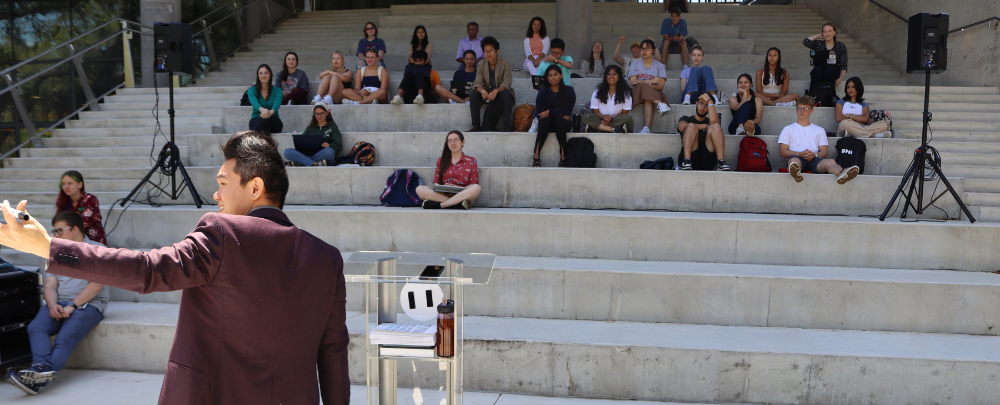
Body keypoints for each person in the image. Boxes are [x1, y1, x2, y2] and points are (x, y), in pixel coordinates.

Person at [0, 131, 351, 405]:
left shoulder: (223, 232)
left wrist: (47, 247)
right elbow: (333, 352)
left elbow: (147, 270)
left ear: (255, 187)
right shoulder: (327, 258)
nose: (216, 195)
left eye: (223, 183)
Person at [5, 211, 111, 396]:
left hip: (89, 304)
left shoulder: (96, 250)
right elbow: (50, 283)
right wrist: (53, 304)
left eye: (60, 231)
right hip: (60, 303)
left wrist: (73, 306)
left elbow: (96, 286)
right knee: (36, 327)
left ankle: (36, 381)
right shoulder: (55, 253)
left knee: (64, 339)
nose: (56, 236)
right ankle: (40, 367)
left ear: (75, 229)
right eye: (54, 231)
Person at [779, 95, 859, 184]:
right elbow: (783, 152)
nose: (802, 111)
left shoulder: (819, 130)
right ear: (796, 109)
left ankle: (842, 174)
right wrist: (800, 154)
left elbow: (824, 152)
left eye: (805, 108)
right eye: (800, 108)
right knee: (794, 161)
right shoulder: (788, 129)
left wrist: (814, 155)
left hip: (814, 159)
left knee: (831, 162)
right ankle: (796, 174)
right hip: (796, 156)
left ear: (811, 111)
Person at [416, 131, 481, 209]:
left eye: (456, 140)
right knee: (419, 189)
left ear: (462, 142)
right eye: (449, 141)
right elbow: (436, 183)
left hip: (463, 195)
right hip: (444, 194)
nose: (452, 143)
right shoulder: (441, 160)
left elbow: (473, 184)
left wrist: (457, 187)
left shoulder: (471, 161)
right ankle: (456, 204)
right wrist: (444, 187)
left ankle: (441, 205)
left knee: (476, 188)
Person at [531, 65, 577, 167]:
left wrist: (549, 112)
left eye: (556, 74)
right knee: (546, 121)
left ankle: (563, 157)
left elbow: (567, 110)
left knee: (558, 121)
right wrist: (557, 113)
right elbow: (539, 112)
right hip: (547, 123)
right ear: (547, 78)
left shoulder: (569, 90)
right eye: (550, 75)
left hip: (563, 123)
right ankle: (536, 155)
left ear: (561, 75)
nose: (553, 77)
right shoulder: (543, 91)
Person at [470, 36, 514, 132]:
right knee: (473, 95)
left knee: (507, 95)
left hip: (500, 92)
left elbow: (507, 82)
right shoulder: (481, 63)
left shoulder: (505, 63)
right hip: (486, 92)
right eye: (486, 51)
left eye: (491, 51)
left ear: (497, 51)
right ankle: (475, 125)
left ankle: (507, 127)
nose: (488, 54)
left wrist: (496, 91)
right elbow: (477, 82)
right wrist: (482, 91)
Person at [677, 93, 730, 171]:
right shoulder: (687, 118)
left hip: (707, 160)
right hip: (691, 156)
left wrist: (710, 101)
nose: (703, 107)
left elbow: (716, 124)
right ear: (696, 103)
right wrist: (704, 126)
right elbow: (682, 127)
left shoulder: (711, 122)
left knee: (715, 126)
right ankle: (686, 161)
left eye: (706, 105)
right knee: (691, 126)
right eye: (701, 103)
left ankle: (720, 162)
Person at [628, 39, 670, 134]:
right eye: (642, 49)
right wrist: (652, 81)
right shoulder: (635, 64)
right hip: (637, 93)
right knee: (643, 88)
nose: (644, 51)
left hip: (653, 94)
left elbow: (661, 86)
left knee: (647, 96)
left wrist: (643, 82)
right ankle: (660, 104)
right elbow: (633, 82)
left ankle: (646, 128)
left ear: (653, 50)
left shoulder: (659, 66)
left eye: (647, 48)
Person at [54, 170, 106, 245]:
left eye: (70, 183)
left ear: (80, 184)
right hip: (72, 240)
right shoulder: (63, 202)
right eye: (63, 184)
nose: (66, 187)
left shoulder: (91, 200)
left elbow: (81, 224)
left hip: (92, 242)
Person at [581, 65, 634, 133]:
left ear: (619, 76)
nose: (611, 77)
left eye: (614, 74)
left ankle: (600, 127)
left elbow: (625, 113)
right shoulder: (598, 91)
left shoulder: (626, 93)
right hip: (601, 119)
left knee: (628, 119)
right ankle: (613, 130)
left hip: (617, 120)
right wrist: (604, 117)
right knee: (585, 117)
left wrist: (610, 118)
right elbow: (595, 111)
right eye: (609, 74)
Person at [803, 23, 848, 90]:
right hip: (819, 72)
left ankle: (829, 93)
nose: (827, 34)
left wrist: (840, 79)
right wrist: (818, 36)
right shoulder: (819, 44)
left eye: (830, 31)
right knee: (818, 68)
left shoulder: (840, 45)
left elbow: (844, 64)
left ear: (834, 32)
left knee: (829, 68)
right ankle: (813, 93)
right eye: (825, 31)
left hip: (832, 72)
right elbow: (806, 42)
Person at [247, 64, 283, 134]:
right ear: (258, 75)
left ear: (271, 74)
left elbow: (276, 107)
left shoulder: (278, 91)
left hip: (274, 120)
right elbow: (255, 104)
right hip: (256, 119)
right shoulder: (251, 90)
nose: (263, 75)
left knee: (265, 123)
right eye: (261, 73)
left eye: (266, 73)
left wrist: (269, 113)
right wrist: (262, 110)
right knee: (265, 128)